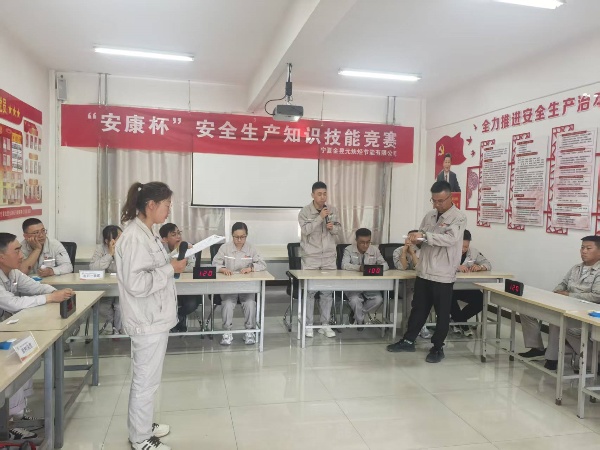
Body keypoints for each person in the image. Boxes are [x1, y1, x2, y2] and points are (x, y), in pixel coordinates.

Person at [115, 182, 187, 450]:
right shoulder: (135, 237)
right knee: (145, 381)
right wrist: (170, 269)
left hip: (154, 317)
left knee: (149, 380)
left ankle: (143, 425)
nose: (169, 210)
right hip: (146, 320)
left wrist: (171, 263)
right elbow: (136, 284)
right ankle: (140, 438)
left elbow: (153, 267)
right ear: (151, 205)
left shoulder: (149, 233)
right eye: (167, 205)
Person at [0, 232, 73, 441]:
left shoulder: (13, 273)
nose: (22, 255)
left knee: (27, 357)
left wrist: (58, 293)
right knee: (13, 365)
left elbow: (36, 287)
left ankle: (16, 415)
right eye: (16, 250)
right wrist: (50, 298)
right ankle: (7, 425)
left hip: (7, 331)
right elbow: (13, 303)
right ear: (1, 257)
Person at [387, 180, 467, 363]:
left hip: (443, 273)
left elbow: (450, 239)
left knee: (442, 313)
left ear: (450, 197)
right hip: (424, 270)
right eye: (434, 201)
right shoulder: (430, 215)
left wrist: (424, 236)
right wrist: (415, 239)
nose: (437, 205)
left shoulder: (459, 217)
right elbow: (422, 237)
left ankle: (437, 347)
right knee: (418, 308)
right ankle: (408, 340)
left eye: (440, 201)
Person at [519, 236, 600, 371]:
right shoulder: (576, 268)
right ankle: (537, 348)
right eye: (582, 248)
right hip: (565, 306)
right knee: (526, 310)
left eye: (588, 248)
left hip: (585, 313)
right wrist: (557, 292)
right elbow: (563, 284)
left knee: (559, 322)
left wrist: (569, 295)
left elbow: (596, 296)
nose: (584, 251)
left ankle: (587, 361)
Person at [212, 222, 267, 345]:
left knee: (250, 303)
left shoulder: (251, 248)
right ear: (232, 235)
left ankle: (249, 331)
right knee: (227, 303)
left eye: (243, 237)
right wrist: (222, 269)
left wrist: (251, 268)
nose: (239, 240)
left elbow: (262, 264)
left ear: (246, 235)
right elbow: (215, 264)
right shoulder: (225, 248)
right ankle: (227, 331)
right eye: (236, 237)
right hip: (229, 285)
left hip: (246, 285)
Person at [298, 181, 341, 338]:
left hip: (329, 256)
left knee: (327, 291)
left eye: (325, 194)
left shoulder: (332, 210)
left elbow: (338, 230)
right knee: (310, 291)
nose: (323, 197)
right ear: (313, 195)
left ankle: (325, 324)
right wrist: (319, 218)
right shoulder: (304, 212)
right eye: (319, 194)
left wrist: (333, 228)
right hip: (311, 257)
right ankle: (308, 324)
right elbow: (305, 230)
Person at [341, 228, 388, 329]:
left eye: (368, 242)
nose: (365, 245)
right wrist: (359, 268)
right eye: (362, 242)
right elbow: (344, 265)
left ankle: (357, 314)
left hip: (369, 284)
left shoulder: (374, 249)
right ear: (356, 240)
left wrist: (374, 269)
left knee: (378, 299)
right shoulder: (349, 249)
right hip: (353, 284)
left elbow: (385, 265)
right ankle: (360, 321)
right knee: (354, 300)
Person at [159, 223, 200, 333]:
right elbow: (162, 267)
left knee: (192, 304)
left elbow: (191, 267)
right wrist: (177, 251)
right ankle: (176, 320)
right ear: (165, 239)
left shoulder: (187, 246)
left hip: (186, 286)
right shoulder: (160, 250)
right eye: (174, 235)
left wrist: (175, 267)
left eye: (179, 233)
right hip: (166, 288)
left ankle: (178, 317)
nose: (178, 237)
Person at [450, 229, 492, 337]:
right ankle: (462, 324)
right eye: (462, 246)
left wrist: (480, 267)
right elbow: (439, 266)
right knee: (448, 297)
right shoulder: (447, 250)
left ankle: (456, 320)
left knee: (480, 299)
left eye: (466, 246)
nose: (464, 249)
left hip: (465, 286)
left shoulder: (473, 252)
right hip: (448, 286)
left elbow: (487, 264)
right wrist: (456, 267)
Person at [393, 230, 431, 339]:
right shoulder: (398, 251)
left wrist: (412, 253)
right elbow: (402, 267)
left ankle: (420, 325)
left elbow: (419, 267)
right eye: (410, 237)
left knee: (424, 296)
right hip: (402, 284)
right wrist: (405, 252)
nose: (412, 240)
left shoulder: (425, 251)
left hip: (419, 283)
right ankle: (412, 326)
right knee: (412, 296)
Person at [90, 225, 123, 335]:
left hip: (122, 287)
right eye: (118, 238)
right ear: (107, 241)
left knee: (119, 307)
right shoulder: (100, 249)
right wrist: (110, 254)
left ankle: (117, 330)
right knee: (101, 308)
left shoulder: (127, 248)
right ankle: (114, 324)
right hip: (106, 287)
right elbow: (93, 268)